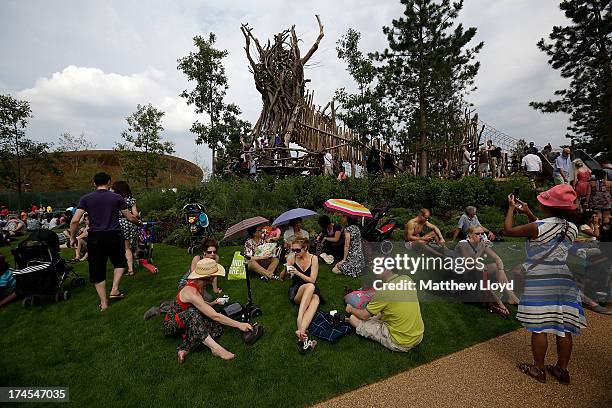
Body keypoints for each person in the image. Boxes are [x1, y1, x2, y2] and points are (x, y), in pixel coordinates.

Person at [504, 184, 586, 384]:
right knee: (564, 326)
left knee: (539, 326)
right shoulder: (571, 227)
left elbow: (508, 230)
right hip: (563, 277)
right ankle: (561, 370)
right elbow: (545, 232)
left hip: (541, 277)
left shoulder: (538, 227)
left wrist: (512, 209)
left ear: (548, 207)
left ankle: (538, 369)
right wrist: (529, 213)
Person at [70, 172, 140, 311]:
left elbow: (75, 220)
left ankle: (103, 302)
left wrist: (72, 237)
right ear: (109, 182)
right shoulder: (117, 197)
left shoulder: (86, 199)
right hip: (114, 235)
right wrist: (139, 223)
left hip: (95, 237)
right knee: (120, 262)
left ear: (94, 183)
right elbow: (130, 217)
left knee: (97, 269)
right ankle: (114, 289)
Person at [163, 258, 253, 363]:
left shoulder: (199, 285)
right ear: (209, 278)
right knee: (194, 314)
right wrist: (239, 324)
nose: (215, 278)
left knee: (216, 326)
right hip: (171, 325)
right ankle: (216, 349)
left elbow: (201, 304)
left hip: (188, 322)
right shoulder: (190, 292)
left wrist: (212, 303)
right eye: (214, 276)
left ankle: (184, 348)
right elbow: (214, 315)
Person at [346, 268, 424, 352]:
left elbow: (364, 316)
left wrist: (351, 309)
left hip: (400, 342)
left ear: (388, 269)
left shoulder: (383, 292)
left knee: (353, 319)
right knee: (380, 312)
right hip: (418, 336)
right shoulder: (407, 279)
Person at [456, 225, 520, 309]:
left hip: (474, 270)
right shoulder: (462, 244)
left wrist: (501, 271)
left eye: (482, 233)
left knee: (495, 266)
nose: (481, 236)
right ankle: (497, 300)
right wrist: (482, 248)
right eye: (477, 234)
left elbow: (497, 258)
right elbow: (469, 263)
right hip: (461, 273)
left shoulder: (480, 244)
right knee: (480, 268)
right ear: (470, 235)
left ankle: (511, 295)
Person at [280, 237, 321, 353]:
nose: (295, 252)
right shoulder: (292, 258)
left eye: (297, 250)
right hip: (297, 290)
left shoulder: (314, 259)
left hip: (310, 288)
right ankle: (299, 319)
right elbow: (282, 278)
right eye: (293, 250)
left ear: (305, 248)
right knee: (311, 287)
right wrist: (285, 269)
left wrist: (297, 272)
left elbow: (312, 279)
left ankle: (301, 331)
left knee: (316, 299)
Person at [111, 181, 139, 276]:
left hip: (118, 224)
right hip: (130, 224)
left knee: (122, 248)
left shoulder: (114, 199)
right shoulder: (131, 200)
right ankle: (130, 268)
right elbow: (135, 214)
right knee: (128, 247)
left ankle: (126, 268)